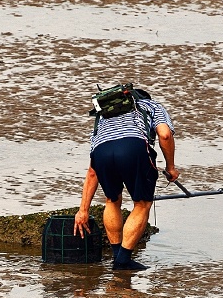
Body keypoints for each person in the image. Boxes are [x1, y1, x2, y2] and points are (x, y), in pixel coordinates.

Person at [74, 89, 178, 272]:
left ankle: (117, 255)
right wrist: (170, 167)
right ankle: (122, 261)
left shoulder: (103, 116)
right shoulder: (151, 105)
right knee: (142, 204)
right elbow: (165, 135)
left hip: (101, 152)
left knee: (112, 200)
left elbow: (92, 172)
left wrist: (83, 210)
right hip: (133, 147)